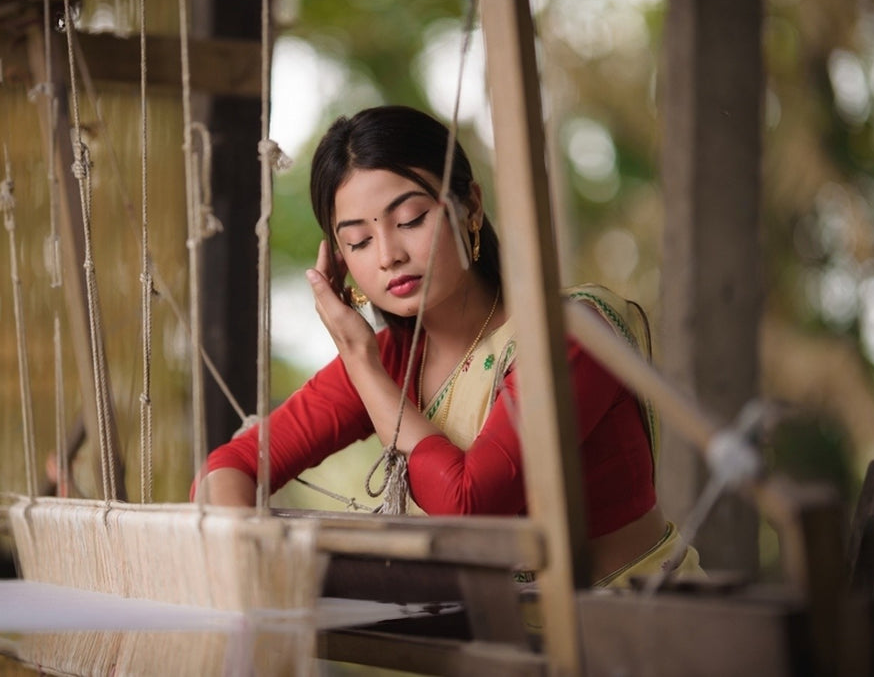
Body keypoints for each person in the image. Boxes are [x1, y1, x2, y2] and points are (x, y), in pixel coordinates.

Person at [195, 105, 701, 586]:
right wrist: (248, 567)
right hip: (503, 644)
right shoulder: (394, 358)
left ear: (471, 207)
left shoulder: (570, 334)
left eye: (411, 219)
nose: (390, 255)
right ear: (340, 262)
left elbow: (469, 506)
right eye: (359, 241)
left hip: (641, 632)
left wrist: (360, 363)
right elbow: (229, 467)